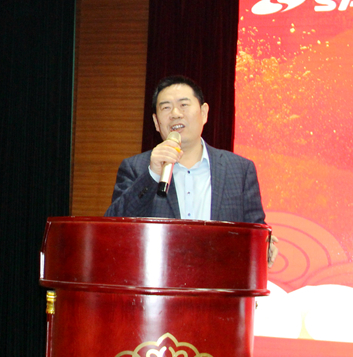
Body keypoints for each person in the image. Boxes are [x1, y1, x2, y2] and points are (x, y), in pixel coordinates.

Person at [105, 75, 277, 264]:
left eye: (184, 105)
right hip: (157, 278)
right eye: (166, 107)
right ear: (156, 122)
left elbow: (257, 229)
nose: (175, 113)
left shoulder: (240, 169)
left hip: (220, 278)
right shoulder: (135, 168)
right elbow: (113, 227)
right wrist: (152, 175)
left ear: (204, 113)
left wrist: (265, 244)